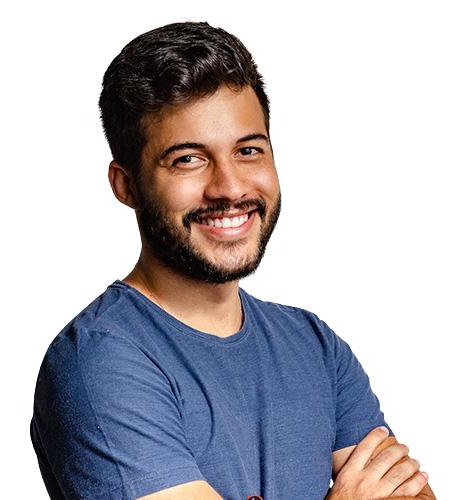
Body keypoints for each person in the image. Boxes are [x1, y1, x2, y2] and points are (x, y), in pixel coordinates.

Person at [32, 21, 436, 500]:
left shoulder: (315, 345)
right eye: (188, 158)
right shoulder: (101, 360)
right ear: (126, 186)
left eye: (248, 150)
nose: (230, 187)